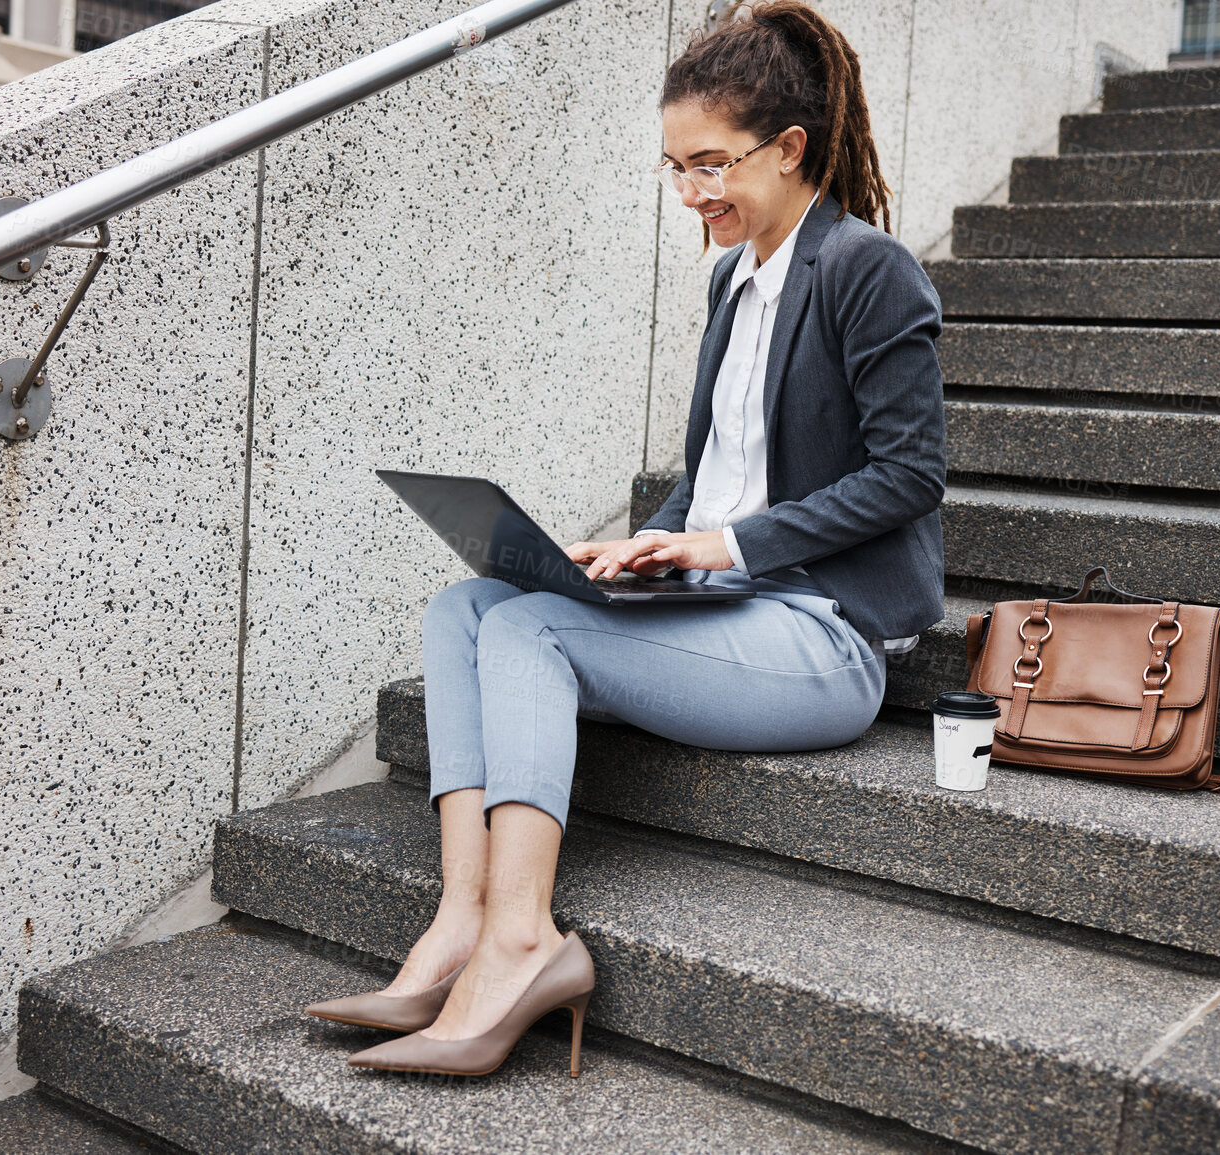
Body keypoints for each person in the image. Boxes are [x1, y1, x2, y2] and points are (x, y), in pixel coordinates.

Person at [306, 0, 946, 1079]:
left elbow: (909, 475)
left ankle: (523, 942)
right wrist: (638, 546)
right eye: (675, 168)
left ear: (790, 150)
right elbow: (707, 479)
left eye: (712, 164)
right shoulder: (732, 280)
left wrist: (721, 545)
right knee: (466, 608)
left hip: (819, 635)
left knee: (531, 638)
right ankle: (461, 921)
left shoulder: (866, 268)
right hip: (726, 607)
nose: (694, 194)